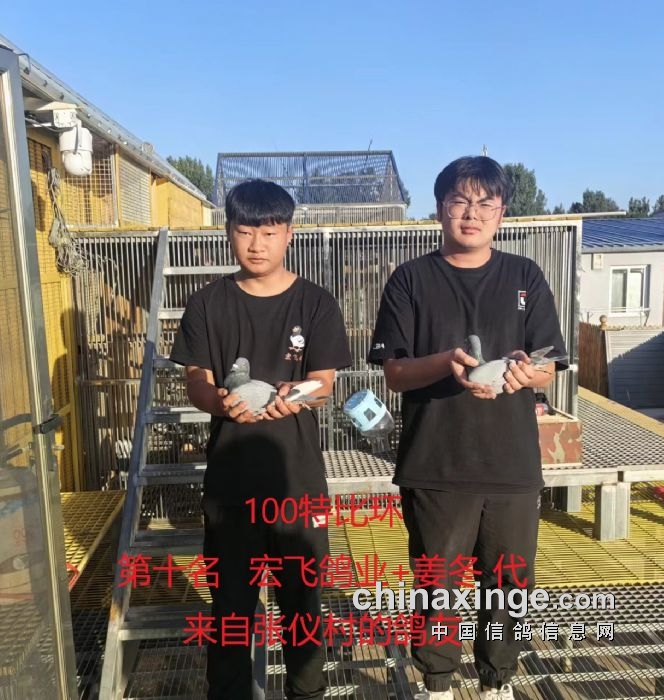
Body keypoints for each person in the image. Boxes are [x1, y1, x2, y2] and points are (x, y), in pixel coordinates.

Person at [368, 156, 568, 700]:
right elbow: (394, 373)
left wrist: (522, 373)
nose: (472, 213)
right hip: (436, 463)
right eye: (460, 200)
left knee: (510, 584)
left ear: (502, 212)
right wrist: (446, 364)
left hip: (511, 465)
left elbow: (549, 363)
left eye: (485, 203)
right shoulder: (411, 280)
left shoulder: (525, 276)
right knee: (437, 584)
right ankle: (437, 683)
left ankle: (497, 681)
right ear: (439, 208)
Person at [171, 179, 351, 700]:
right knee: (230, 609)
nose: (256, 244)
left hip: (297, 482)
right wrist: (218, 401)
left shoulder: (316, 303)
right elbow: (197, 379)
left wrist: (298, 394)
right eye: (245, 231)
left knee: (302, 606)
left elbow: (324, 384)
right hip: (231, 485)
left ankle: (307, 692)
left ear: (289, 234)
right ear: (228, 232)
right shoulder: (206, 305)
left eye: (269, 232)